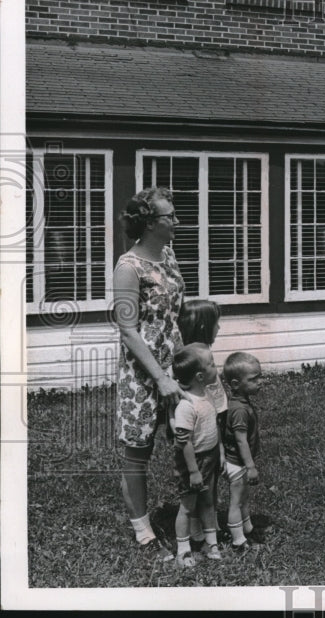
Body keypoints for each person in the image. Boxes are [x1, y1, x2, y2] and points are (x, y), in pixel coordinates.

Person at [113, 186, 185, 561]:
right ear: (148, 223)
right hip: (143, 375)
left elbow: (176, 314)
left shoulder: (168, 256)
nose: (176, 221)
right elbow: (128, 329)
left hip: (176, 367)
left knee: (189, 442)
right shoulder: (129, 267)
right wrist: (159, 377)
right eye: (169, 216)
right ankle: (143, 532)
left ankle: (193, 521)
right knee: (137, 454)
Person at [177, 299, 226, 552]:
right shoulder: (195, 360)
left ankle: (205, 532)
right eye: (217, 323)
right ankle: (193, 535)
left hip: (210, 431)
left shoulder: (199, 357)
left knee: (208, 487)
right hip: (197, 438)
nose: (220, 328)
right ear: (205, 326)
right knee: (197, 489)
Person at [171, 344, 223, 567]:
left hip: (210, 456)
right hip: (192, 461)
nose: (216, 366)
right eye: (212, 363)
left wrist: (219, 451)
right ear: (200, 376)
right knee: (188, 505)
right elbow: (183, 442)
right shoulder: (186, 406)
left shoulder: (209, 394)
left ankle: (210, 542)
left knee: (209, 500)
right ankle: (183, 550)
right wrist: (193, 471)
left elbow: (214, 426)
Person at [222, 352, 264, 553]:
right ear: (236, 384)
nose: (260, 382)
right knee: (236, 501)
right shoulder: (239, 410)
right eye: (254, 379)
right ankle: (238, 541)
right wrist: (250, 466)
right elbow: (240, 440)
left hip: (239, 462)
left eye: (260, 376)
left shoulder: (242, 402)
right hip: (236, 462)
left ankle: (247, 528)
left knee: (244, 497)